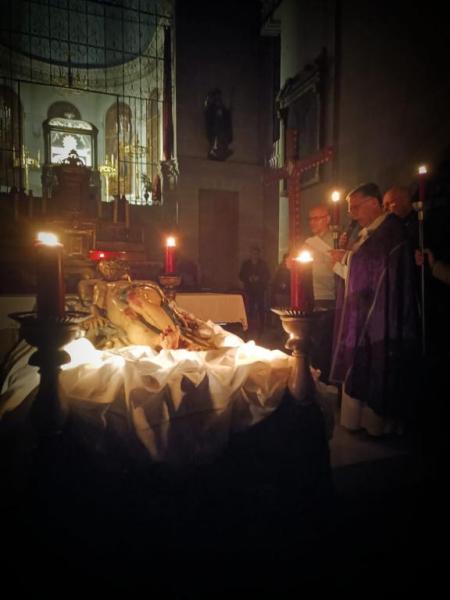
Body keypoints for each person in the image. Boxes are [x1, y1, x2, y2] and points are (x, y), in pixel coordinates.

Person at [329, 182, 420, 436]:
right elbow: (361, 270)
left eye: (356, 207)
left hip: (381, 313)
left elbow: (375, 269)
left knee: (376, 361)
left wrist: (344, 260)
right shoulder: (367, 232)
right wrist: (343, 261)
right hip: (361, 306)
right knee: (359, 359)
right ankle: (356, 421)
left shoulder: (390, 232)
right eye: (350, 209)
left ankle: (376, 424)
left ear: (372, 203)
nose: (352, 214)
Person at [304, 205, 335, 382]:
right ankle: (314, 378)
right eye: (310, 219)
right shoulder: (310, 242)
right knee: (313, 343)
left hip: (328, 297)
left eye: (317, 218)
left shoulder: (335, 240)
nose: (312, 222)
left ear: (328, 219)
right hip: (311, 296)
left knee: (324, 343)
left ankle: (324, 381)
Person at [239, 246, 270, 336]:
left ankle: (262, 326)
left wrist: (259, 279)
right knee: (249, 308)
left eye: (256, 253)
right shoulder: (246, 264)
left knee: (261, 307)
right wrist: (249, 278)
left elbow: (267, 275)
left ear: (258, 254)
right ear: (250, 254)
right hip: (249, 289)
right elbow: (241, 275)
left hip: (260, 289)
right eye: (253, 253)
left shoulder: (263, 264)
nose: (254, 255)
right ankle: (248, 325)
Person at [204, 88, 233, 161]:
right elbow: (208, 112)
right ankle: (215, 153)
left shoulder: (221, 105)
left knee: (221, 140)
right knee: (216, 140)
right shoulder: (212, 106)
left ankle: (221, 153)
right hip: (215, 128)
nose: (218, 97)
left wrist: (227, 112)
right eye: (217, 95)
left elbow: (225, 114)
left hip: (221, 127)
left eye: (219, 96)